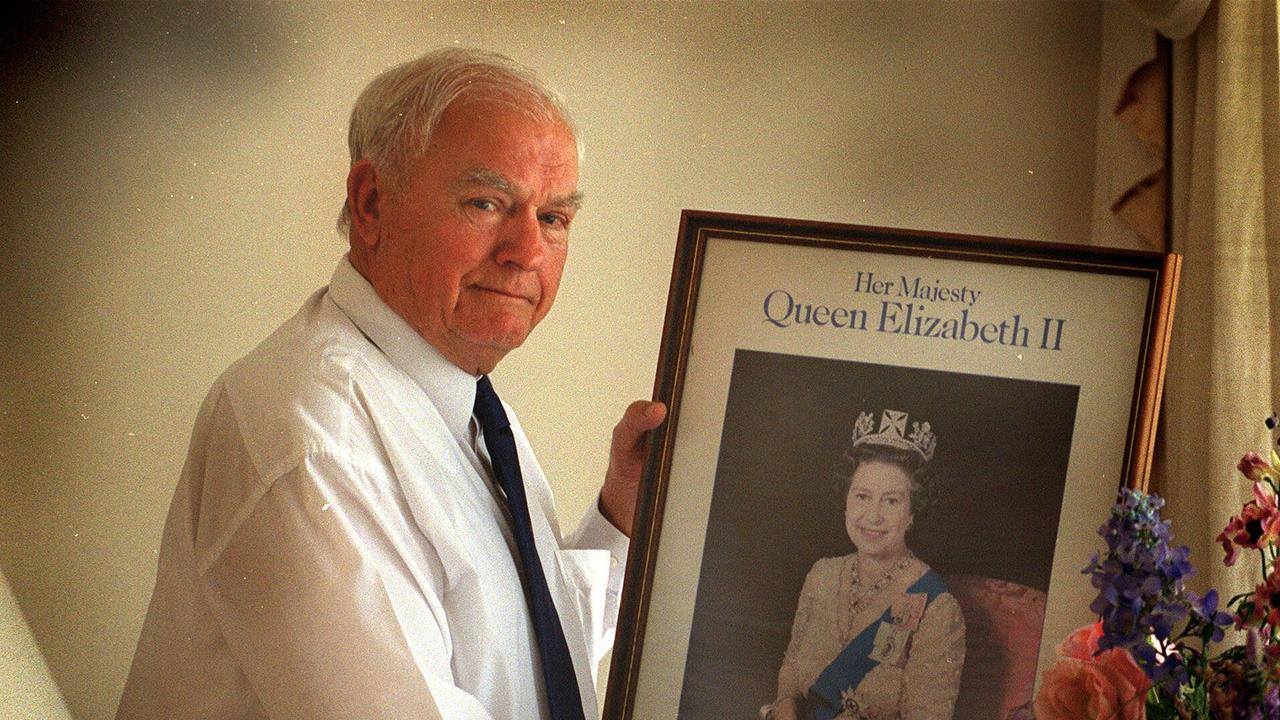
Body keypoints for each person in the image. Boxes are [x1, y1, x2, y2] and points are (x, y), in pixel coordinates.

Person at [116, 48, 665, 720]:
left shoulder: (455, 394)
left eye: (553, 218)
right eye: (487, 203)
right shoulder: (315, 436)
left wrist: (621, 519)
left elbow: (519, 668)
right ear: (372, 202)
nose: (526, 252)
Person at [764, 410, 966, 720]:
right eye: (862, 496)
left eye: (891, 501)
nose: (873, 516)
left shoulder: (936, 607)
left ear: (913, 512)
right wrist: (784, 703)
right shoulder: (822, 575)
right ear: (845, 500)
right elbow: (791, 669)